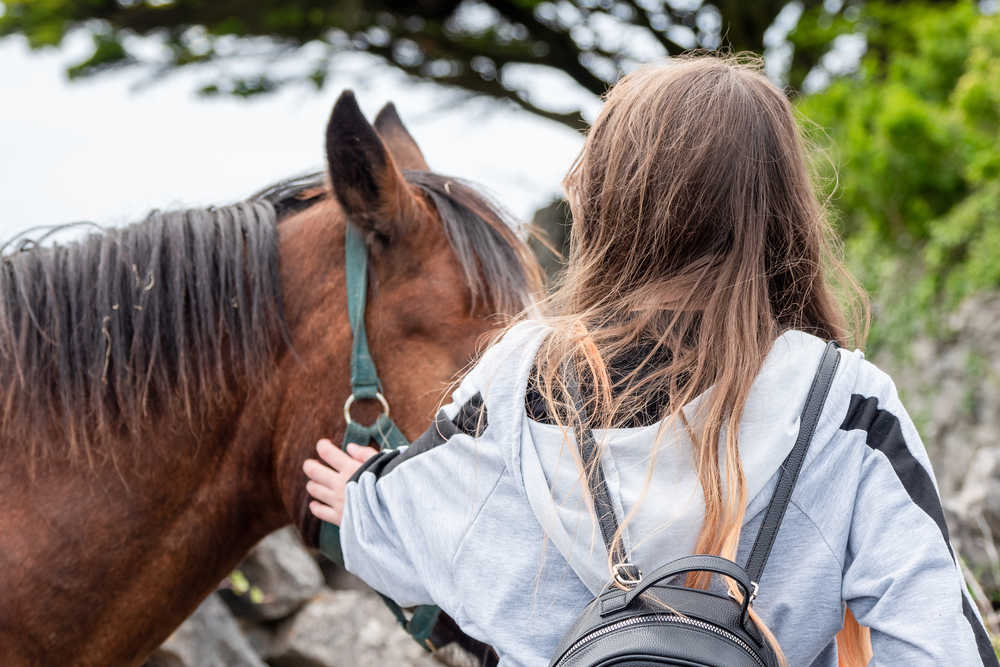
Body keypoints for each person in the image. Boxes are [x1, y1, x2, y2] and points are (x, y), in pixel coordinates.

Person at [302, 55, 998, 666]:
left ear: (610, 205)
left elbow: (404, 536)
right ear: (781, 208)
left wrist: (363, 500)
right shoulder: (844, 404)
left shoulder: (516, 385)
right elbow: (943, 646)